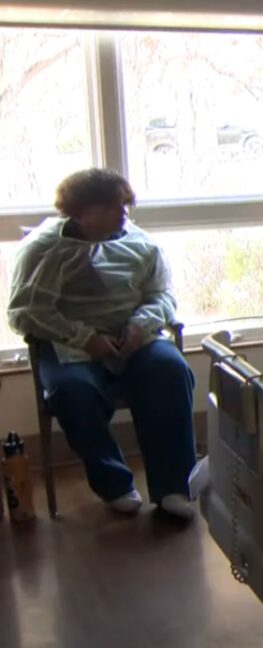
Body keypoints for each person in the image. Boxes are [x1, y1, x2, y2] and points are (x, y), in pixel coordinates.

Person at [7, 169, 197, 520]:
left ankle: (173, 486)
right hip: (69, 345)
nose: (122, 213)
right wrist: (85, 338)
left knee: (170, 371)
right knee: (71, 392)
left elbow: (163, 295)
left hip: (135, 338)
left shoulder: (141, 244)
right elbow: (25, 312)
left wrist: (141, 325)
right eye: (111, 207)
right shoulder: (43, 250)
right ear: (79, 211)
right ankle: (114, 483)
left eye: (124, 205)